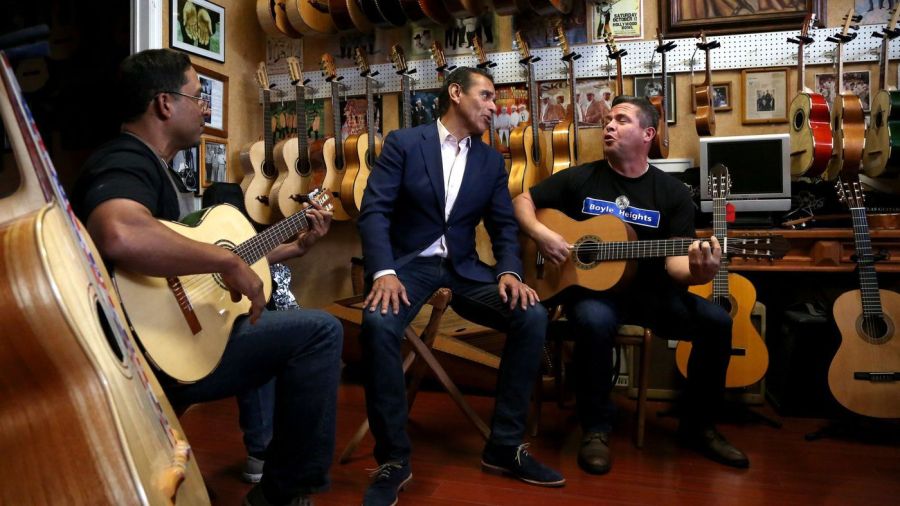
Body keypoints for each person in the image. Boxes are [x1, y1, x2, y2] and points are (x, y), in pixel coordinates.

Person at [71, 48, 343, 506]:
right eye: (198, 97)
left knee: (261, 321)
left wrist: (293, 247)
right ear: (164, 104)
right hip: (148, 352)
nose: (205, 109)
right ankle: (281, 495)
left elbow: (218, 252)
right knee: (319, 332)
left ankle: (269, 469)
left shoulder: (158, 170)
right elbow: (119, 233)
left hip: (180, 338)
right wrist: (229, 263)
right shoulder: (124, 159)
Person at [356, 66, 564, 506]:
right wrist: (384, 271)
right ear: (455, 93)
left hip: (465, 270)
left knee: (532, 315)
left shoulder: (490, 160)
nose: (494, 107)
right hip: (408, 268)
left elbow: (505, 227)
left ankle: (504, 446)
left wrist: (510, 271)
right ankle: (393, 459)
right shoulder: (405, 144)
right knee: (377, 326)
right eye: (487, 96)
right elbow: (374, 212)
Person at [512, 95, 749, 476]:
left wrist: (701, 273)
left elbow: (676, 266)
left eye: (621, 120)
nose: (608, 125)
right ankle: (595, 429)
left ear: (647, 134)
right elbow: (522, 200)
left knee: (718, 323)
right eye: (607, 119)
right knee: (592, 321)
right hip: (593, 293)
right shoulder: (581, 178)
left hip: (653, 296)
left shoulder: (672, 194)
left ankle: (699, 426)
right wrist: (541, 235)